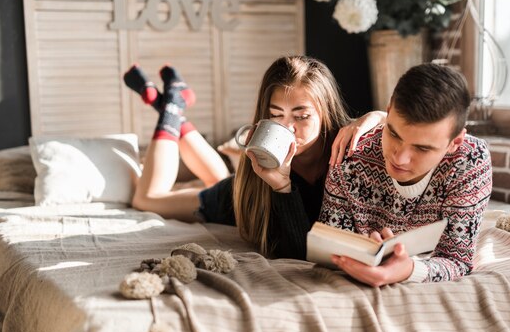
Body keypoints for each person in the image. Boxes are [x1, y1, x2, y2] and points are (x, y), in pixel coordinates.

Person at [125, 56, 384, 259]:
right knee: (147, 200)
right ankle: (171, 105)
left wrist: (377, 116)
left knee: (219, 176)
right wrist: (281, 187)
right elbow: (295, 250)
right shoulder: (253, 187)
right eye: (275, 115)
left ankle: (171, 104)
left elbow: (399, 127)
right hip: (239, 196)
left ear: (326, 112)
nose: (287, 128)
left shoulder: (351, 145)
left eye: (301, 116)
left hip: (242, 183)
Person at [319, 63, 493, 286]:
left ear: (455, 142)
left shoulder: (469, 159)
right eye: (393, 133)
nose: (399, 158)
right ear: (388, 110)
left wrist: (409, 270)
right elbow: (330, 245)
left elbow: (457, 259)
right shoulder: (350, 154)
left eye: (422, 148)